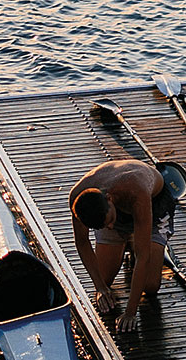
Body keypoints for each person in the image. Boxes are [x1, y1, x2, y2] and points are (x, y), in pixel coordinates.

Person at [69, 143, 176, 337]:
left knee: (150, 286)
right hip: (113, 210)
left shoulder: (136, 191)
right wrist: (100, 287)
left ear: (109, 198)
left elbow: (143, 256)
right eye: (104, 226)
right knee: (104, 279)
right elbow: (82, 242)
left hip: (153, 207)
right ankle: (127, 241)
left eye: (109, 222)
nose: (110, 227)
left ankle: (137, 241)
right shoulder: (78, 197)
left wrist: (130, 312)